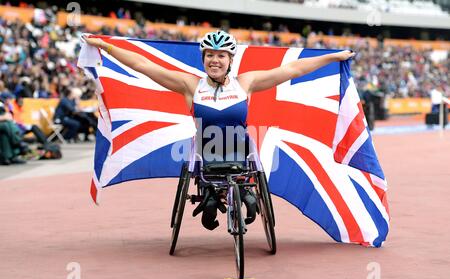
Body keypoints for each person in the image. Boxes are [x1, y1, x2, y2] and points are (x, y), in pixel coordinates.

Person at [82, 30, 355, 229]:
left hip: (241, 151)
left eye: (221, 55)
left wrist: (333, 57)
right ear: (203, 58)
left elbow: (293, 69)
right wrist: (104, 46)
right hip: (205, 152)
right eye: (210, 55)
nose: (215, 60)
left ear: (230, 59)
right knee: (209, 192)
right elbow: (143, 65)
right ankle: (211, 195)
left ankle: (247, 191)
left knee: (246, 152)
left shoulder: (245, 83)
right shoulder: (190, 85)